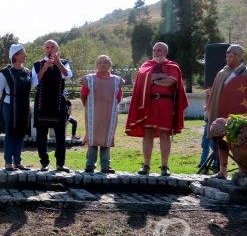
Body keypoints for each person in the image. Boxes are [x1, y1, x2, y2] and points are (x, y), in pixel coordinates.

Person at [125, 42, 188, 176]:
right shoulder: (146, 65)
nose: (157, 52)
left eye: (160, 50)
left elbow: (171, 81)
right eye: (155, 50)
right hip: (149, 103)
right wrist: (159, 78)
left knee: (165, 134)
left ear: (166, 52)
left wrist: (151, 80)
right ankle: (146, 165)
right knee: (148, 133)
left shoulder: (172, 66)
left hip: (165, 102)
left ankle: (164, 166)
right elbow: (141, 79)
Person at [206, 44, 247, 179]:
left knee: (240, 141)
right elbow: (215, 94)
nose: (228, 59)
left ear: (239, 57)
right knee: (221, 141)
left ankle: (243, 169)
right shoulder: (222, 73)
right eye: (227, 56)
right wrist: (210, 108)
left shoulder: (245, 73)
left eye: (231, 56)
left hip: (240, 114)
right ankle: (222, 170)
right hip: (222, 112)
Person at [32, 39, 73, 172]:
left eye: (52, 47)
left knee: (60, 136)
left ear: (57, 49)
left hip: (58, 104)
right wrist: (44, 68)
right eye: (47, 47)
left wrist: (59, 63)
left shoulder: (64, 63)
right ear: (44, 49)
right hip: (42, 103)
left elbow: (68, 75)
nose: (50, 49)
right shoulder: (37, 64)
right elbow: (34, 82)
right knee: (41, 137)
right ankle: (44, 162)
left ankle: (60, 163)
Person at [80, 55, 124, 173]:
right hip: (93, 114)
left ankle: (106, 166)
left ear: (110, 65)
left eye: (105, 62)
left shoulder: (116, 81)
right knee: (93, 138)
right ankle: (90, 165)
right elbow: (83, 95)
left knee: (106, 139)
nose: (102, 64)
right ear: (96, 65)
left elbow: (119, 97)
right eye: (99, 62)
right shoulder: (89, 79)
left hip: (110, 114)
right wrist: (90, 107)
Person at [0, 44, 32, 171]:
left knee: (20, 133)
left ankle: (17, 161)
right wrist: (11, 97)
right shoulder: (5, 73)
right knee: (11, 134)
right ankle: (8, 162)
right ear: (15, 55)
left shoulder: (27, 72)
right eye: (23, 53)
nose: (25, 55)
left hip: (23, 106)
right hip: (9, 106)